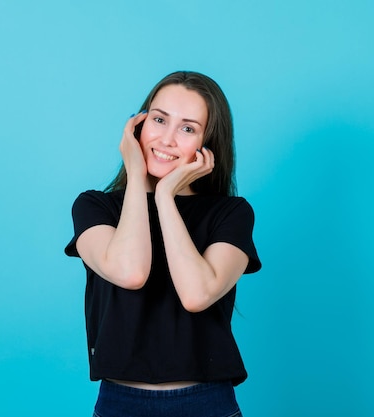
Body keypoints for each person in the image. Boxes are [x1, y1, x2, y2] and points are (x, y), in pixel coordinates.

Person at [65, 71, 261, 417]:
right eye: (159, 120)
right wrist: (138, 176)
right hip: (119, 404)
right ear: (138, 125)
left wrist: (167, 196)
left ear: (208, 143)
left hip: (206, 404)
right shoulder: (96, 207)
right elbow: (130, 271)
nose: (167, 139)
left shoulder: (231, 213)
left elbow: (196, 294)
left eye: (187, 128)